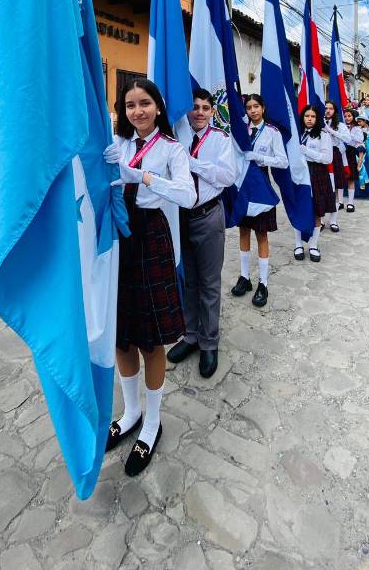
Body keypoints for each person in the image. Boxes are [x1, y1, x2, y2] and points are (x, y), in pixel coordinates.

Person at [103, 78, 196, 476]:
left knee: (151, 339)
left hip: (151, 239)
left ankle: (153, 422)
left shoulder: (172, 149)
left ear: (157, 107)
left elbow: (188, 195)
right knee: (121, 334)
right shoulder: (118, 144)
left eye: (144, 103)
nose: (137, 111)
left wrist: (142, 177)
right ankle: (130, 412)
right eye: (129, 105)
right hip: (118, 241)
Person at [167, 89, 236, 378]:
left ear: (211, 112)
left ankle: (209, 343)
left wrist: (192, 164)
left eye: (205, 108)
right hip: (180, 215)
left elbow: (228, 176)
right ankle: (191, 334)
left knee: (208, 283)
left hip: (208, 215)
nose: (199, 112)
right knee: (189, 281)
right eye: (194, 107)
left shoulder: (220, 140)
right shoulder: (175, 136)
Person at [231, 93, 288, 306]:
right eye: (249, 107)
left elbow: (282, 162)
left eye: (256, 106)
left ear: (263, 108)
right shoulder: (241, 130)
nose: (252, 110)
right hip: (242, 185)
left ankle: (263, 283)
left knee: (261, 234)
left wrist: (260, 157)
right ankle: (245, 277)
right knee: (243, 231)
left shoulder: (272, 132)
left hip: (262, 184)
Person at [294, 104, 335, 263]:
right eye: (306, 116)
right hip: (300, 175)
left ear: (317, 119)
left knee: (317, 211)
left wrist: (307, 152)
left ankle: (313, 244)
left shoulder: (323, 135)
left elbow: (327, 159)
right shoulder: (298, 134)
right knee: (300, 209)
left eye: (313, 116)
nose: (309, 119)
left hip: (317, 174)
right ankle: (298, 243)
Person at [323, 100, 350, 230]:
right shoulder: (318, 123)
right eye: (326, 108)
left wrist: (331, 131)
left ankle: (333, 220)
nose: (328, 111)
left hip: (335, 155)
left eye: (330, 108)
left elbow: (347, 139)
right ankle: (321, 220)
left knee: (335, 189)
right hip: (322, 157)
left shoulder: (340, 125)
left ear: (334, 111)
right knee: (322, 189)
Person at [340, 107, 365, 212]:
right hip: (341, 152)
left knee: (350, 178)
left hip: (350, 152)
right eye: (345, 116)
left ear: (354, 117)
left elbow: (360, 139)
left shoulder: (357, 128)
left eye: (349, 116)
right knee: (339, 178)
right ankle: (340, 201)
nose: (347, 118)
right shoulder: (341, 126)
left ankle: (350, 202)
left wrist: (348, 135)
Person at [354, 114, 369, 200]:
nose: (359, 123)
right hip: (361, 146)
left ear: (365, 121)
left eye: (360, 121)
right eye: (358, 122)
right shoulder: (358, 129)